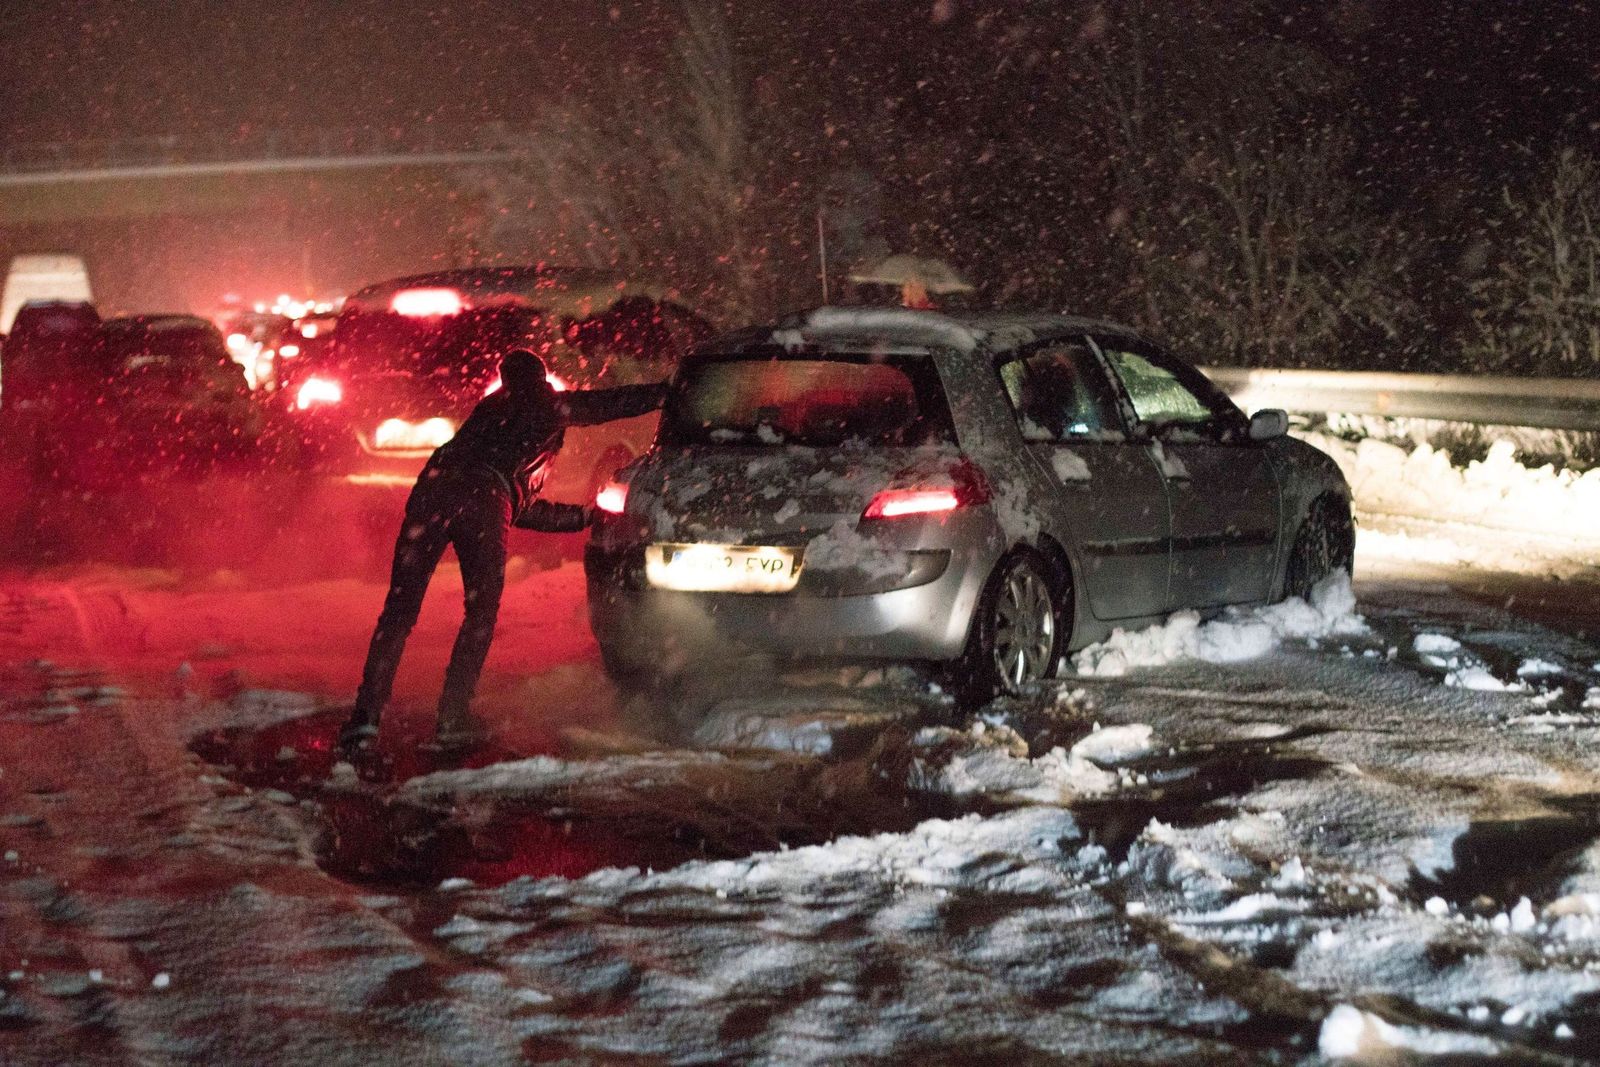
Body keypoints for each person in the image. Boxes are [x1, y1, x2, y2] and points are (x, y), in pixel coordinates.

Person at [339, 348, 666, 756]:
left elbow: (519, 507)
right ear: (542, 379)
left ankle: (365, 718)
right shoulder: (542, 404)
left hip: (432, 489)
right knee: (480, 611)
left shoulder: (489, 410)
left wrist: (583, 516)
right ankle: (453, 717)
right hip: (482, 497)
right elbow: (607, 404)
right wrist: (665, 392)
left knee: (400, 610)